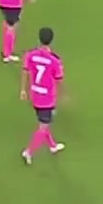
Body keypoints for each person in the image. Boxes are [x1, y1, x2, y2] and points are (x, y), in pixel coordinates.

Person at [19, 28, 66, 162]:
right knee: (43, 127)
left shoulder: (30, 55)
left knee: (44, 121)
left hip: (35, 94)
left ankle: (52, 146)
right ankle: (29, 152)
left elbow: (25, 71)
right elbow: (59, 80)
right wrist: (63, 95)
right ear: (52, 41)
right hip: (47, 99)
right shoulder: (55, 60)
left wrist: (23, 90)